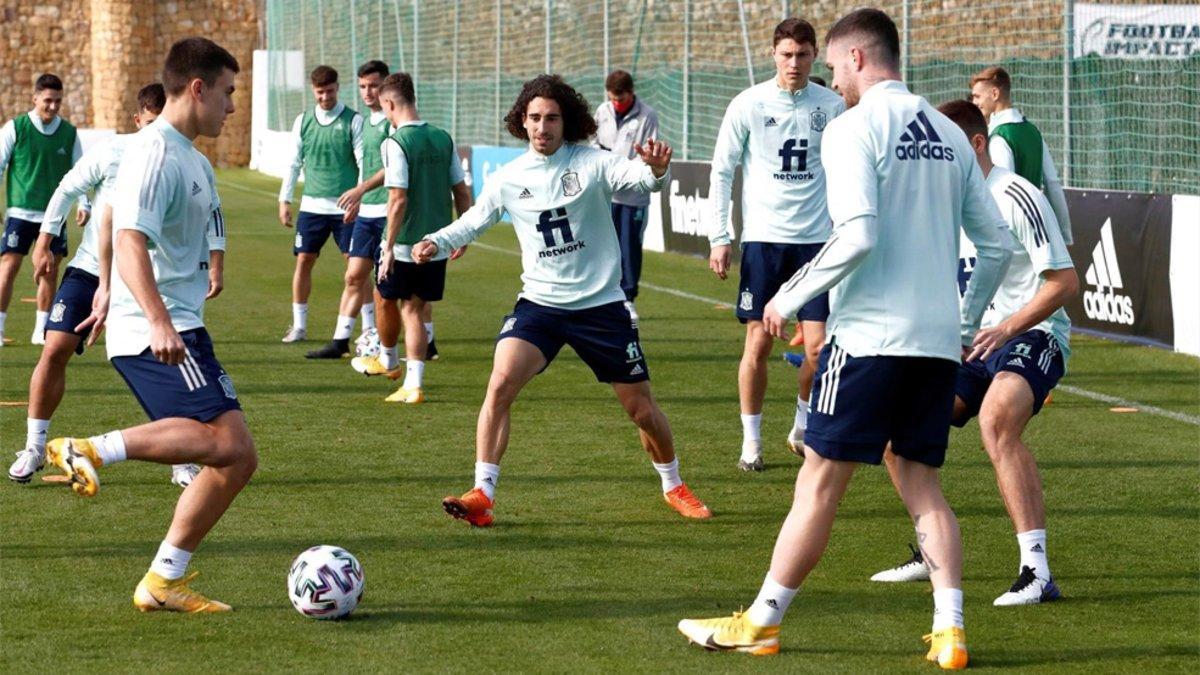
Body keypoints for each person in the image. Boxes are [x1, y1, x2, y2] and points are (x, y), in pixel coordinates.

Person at [677, 10, 1012, 668]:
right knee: (923, 484)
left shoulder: (853, 126)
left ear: (858, 57)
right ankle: (950, 631)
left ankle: (763, 620)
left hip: (867, 340)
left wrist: (789, 295)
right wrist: (966, 325)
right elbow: (995, 245)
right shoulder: (949, 131)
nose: (830, 76)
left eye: (832, 64)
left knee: (819, 482)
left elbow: (856, 233)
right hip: (936, 344)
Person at [411, 74, 712, 527]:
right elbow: (474, 219)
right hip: (541, 306)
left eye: (551, 118)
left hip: (600, 307)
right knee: (500, 383)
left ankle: (674, 485)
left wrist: (655, 170)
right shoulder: (510, 178)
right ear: (522, 122)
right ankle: (483, 494)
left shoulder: (592, 162)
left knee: (642, 411)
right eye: (534, 118)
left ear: (566, 121)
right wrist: (435, 239)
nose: (542, 127)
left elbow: (636, 179)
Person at [46, 37, 256, 613]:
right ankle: (87, 446)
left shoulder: (189, 156)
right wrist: (158, 319)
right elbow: (128, 235)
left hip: (179, 322)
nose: (232, 108)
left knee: (234, 455)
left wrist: (115, 291)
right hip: (159, 329)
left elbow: (116, 214)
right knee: (230, 448)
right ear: (197, 89)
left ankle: (163, 581)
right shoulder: (155, 152)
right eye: (227, 93)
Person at [869, 100, 1077, 607]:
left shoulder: (1015, 195)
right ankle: (929, 548)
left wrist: (1006, 327)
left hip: (1033, 333)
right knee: (898, 438)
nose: (936, 155)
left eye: (948, 145)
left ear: (976, 145)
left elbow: (1065, 282)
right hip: (968, 343)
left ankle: (1037, 572)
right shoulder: (942, 203)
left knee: (996, 420)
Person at [8, 84, 201, 488]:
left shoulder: (183, 159)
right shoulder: (113, 152)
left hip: (144, 280)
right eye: (150, 123)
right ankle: (34, 446)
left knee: (161, 365)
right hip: (90, 271)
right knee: (54, 348)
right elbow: (67, 189)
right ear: (138, 120)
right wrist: (45, 238)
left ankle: (181, 459)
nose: (156, 132)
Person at [707, 18, 846, 471]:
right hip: (765, 241)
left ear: (813, 57)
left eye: (803, 55)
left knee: (818, 349)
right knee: (758, 344)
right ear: (773, 55)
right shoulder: (748, 103)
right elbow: (723, 170)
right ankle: (751, 442)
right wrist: (719, 236)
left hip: (818, 244)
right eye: (786, 55)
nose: (794, 63)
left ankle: (802, 425)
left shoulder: (834, 105)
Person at [348, 72, 471, 403]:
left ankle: (388, 360)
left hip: (405, 244)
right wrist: (463, 233)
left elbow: (398, 198)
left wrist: (387, 247)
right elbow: (461, 189)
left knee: (385, 297)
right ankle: (412, 383)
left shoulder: (396, 142)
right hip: (438, 243)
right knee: (415, 308)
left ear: (389, 103)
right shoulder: (442, 137)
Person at [278, 65, 364, 355]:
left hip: (346, 208)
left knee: (356, 267)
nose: (325, 97)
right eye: (319, 92)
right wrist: (285, 200)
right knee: (304, 261)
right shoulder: (303, 121)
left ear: (337, 88)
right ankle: (299, 325)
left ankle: (368, 329)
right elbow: (293, 162)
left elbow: (364, 163)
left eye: (329, 91)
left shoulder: (353, 121)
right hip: (312, 207)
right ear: (312, 91)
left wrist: (360, 198)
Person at [0, 73, 90, 346]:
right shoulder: (16, 127)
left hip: (54, 218)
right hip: (20, 212)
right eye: (48, 101)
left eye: (58, 101)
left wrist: (84, 203)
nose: (52, 106)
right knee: (9, 267)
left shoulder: (69, 133)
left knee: (49, 271)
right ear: (35, 98)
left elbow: (80, 172)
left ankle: (41, 329)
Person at [970, 66, 1072, 245]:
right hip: (1038, 234)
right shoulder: (1033, 132)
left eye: (977, 96)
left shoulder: (999, 137)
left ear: (994, 94)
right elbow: (1053, 186)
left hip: (1011, 238)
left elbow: (1002, 193)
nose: (974, 102)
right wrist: (1065, 237)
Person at [593, 69, 658, 317]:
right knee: (604, 245)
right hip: (606, 194)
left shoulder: (647, 116)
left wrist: (623, 172)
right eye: (612, 99)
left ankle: (628, 298)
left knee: (629, 247)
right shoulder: (603, 111)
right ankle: (605, 295)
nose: (616, 104)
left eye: (620, 99)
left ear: (631, 93)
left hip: (633, 195)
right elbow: (594, 144)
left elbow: (647, 154)